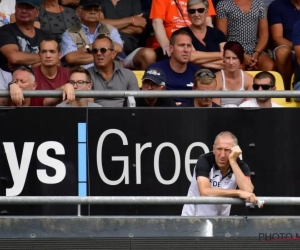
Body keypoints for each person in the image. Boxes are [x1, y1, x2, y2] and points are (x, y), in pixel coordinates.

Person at [182, 131, 257, 216]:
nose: (222, 155)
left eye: (227, 150)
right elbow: (205, 191)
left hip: (221, 223)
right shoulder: (204, 160)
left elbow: (248, 191)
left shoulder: (240, 166)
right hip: (193, 220)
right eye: (219, 149)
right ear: (214, 149)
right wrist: (238, 193)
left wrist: (233, 161)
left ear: (234, 151)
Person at [60, 0, 124, 69]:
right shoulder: (69, 34)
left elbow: (118, 48)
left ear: (100, 13)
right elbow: (71, 58)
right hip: (84, 75)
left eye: (96, 9)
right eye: (88, 9)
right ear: (78, 12)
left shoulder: (111, 30)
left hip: (110, 74)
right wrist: (105, 54)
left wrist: (86, 48)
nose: (93, 12)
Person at [8, 39, 71, 106]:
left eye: (52, 52)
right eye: (44, 52)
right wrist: (12, 85)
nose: (48, 55)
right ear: (39, 55)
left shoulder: (68, 73)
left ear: (59, 55)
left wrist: (69, 85)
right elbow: (17, 83)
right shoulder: (30, 74)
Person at [216, 0, 275, 71]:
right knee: (239, 66)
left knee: (269, 65)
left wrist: (256, 53)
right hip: (233, 49)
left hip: (255, 49)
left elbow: (264, 35)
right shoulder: (223, 5)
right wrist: (240, 54)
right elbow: (222, 36)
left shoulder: (259, 4)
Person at [150, 0, 216, 61]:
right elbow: (157, 22)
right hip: (172, 43)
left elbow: (208, 22)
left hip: (196, 40)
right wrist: (167, 45)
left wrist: (210, 45)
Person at [99, 0, 156, 70]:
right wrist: (131, 20)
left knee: (149, 54)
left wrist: (108, 25)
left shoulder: (133, 2)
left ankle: (146, 81)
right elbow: (99, 24)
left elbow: (138, 29)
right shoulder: (99, 1)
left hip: (130, 51)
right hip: (106, 52)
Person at [149, 30, 200, 106]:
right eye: (181, 45)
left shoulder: (197, 72)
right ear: (171, 48)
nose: (186, 50)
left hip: (190, 114)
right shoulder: (155, 69)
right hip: (163, 113)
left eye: (189, 46)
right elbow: (149, 99)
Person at [0, 0, 53, 73]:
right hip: (11, 81)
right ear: (15, 9)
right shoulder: (5, 31)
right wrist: (47, 58)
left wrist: (23, 62)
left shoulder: (45, 35)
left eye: (29, 8)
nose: (24, 11)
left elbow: (57, 62)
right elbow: (14, 57)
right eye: (20, 7)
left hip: (41, 81)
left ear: (37, 12)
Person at [87, 35, 139, 107]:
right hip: (96, 116)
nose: (98, 53)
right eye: (95, 50)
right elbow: (86, 106)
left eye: (103, 50)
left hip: (124, 116)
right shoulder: (86, 75)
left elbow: (137, 103)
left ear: (113, 54)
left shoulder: (128, 75)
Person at [180, 0, 226, 71]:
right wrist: (220, 55)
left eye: (200, 10)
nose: (196, 14)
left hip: (218, 77)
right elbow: (191, 56)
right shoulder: (181, 33)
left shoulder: (218, 34)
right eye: (192, 11)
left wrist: (198, 62)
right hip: (192, 77)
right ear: (188, 14)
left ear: (207, 12)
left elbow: (227, 61)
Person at [268, 0, 300, 90]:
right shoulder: (277, 5)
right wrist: (297, 46)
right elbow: (277, 38)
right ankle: (286, 91)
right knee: (282, 52)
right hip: (287, 46)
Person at [213, 41, 253, 107]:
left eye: (234, 58)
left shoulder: (249, 80)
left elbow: (248, 108)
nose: (231, 62)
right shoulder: (216, 79)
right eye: (228, 58)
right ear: (223, 58)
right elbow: (216, 109)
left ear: (240, 60)